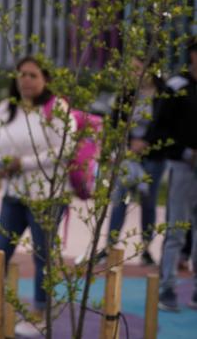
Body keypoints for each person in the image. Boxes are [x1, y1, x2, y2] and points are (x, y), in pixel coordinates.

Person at [0, 56, 75, 336]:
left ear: (45, 79)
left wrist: (24, 163)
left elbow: (64, 149)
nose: (26, 80)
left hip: (47, 196)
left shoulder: (56, 109)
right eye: (22, 74)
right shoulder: (6, 108)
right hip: (14, 193)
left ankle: (41, 311)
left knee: (42, 254)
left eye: (33, 75)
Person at [96, 57, 170, 266]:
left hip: (153, 155)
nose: (135, 74)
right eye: (132, 69)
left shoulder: (163, 94)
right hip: (128, 154)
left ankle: (146, 248)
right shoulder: (125, 94)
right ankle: (110, 245)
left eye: (139, 69)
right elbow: (115, 121)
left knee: (149, 200)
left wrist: (147, 142)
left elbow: (166, 124)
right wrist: (129, 144)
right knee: (120, 197)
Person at [148, 38, 197, 312]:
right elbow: (159, 129)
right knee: (177, 228)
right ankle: (167, 288)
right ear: (192, 55)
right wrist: (184, 152)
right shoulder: (176, 87)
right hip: (183, 166)